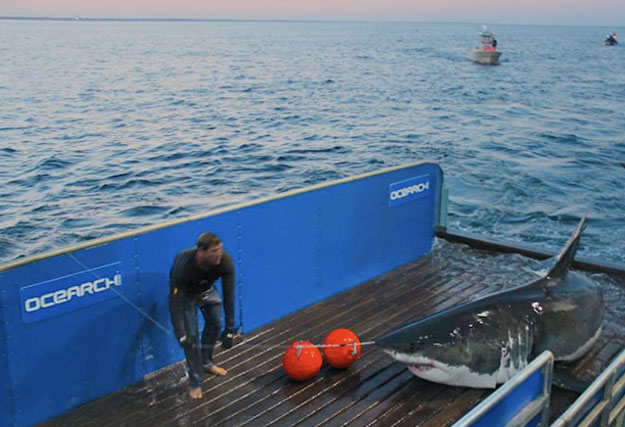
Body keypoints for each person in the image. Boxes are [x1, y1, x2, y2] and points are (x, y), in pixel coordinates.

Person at [169, 232, 235, 400]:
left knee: (216, 323)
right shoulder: (183, 265)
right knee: (191, 338)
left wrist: (229, 328)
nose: (219, 254)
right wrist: (180, 333)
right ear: (201, 252)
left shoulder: (224, 261)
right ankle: (195, 381)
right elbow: (175, 302)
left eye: (220, 249)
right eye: (214, 251)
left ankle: (206, 362)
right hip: (186, 295)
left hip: (206, 289)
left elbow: (229, 296)